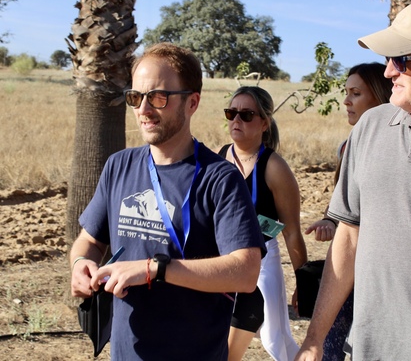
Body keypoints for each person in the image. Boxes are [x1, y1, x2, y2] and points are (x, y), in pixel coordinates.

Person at [70, 42, 266, 361]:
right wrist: (81, 265)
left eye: (158, 97)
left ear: (192, 102)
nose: (144, 110)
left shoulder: (221, 179)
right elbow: (88, 241)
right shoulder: (119, 166)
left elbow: (245, 272)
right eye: (136, 97)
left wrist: (155, 269)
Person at [296, 0, 411, 361]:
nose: (388, 72)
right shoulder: (372, 126)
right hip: (364, 351)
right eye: (387, 59)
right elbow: (348, 237)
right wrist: (315, 339)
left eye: (403, 59)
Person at [304, 62, 391, 360]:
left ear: (381, 97)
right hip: (348, 269)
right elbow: (345, 208)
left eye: (356, 93)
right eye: (346, 92)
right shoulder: (347, 146)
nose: (346, 101)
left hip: (382, 275)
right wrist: (330, 221)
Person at [216, 86, 308, 361]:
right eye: (231, 113)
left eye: (246, 115)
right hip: (221, 264)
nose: (236, 121)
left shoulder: (274, 167)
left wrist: (303, 284)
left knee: (273, 340)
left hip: (260, 266)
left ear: (264, 123)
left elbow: (291, 232)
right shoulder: (218, 157)